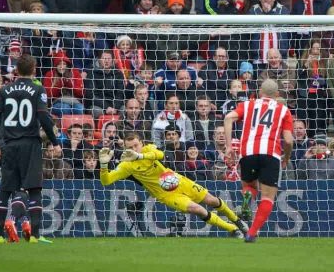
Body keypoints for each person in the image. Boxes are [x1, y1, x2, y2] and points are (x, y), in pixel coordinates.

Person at [99, 132, 248, 238]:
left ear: (141, 144)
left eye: (135, 145)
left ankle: (237, 220)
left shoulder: (148, 149)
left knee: (212, 200)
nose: (133, 149)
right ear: (125, 148)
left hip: (179, 181)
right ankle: (233, 229)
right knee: (198, 209)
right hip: (166, 194)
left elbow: (160, 155)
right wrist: (104, 165)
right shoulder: (126, 166)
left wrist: (140, 156)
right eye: (129, 147)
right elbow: (106, 181)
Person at [0, 55, 61, 244]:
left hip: (9, 144)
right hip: (30, 144)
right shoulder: (38, 89)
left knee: (5, 189)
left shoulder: (5, 90)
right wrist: (55, 141)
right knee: (34, 189)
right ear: (34, 69)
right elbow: (44, 117)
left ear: (16, 70)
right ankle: (35, 236)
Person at [224, 79, 294, 242]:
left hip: (247, 153)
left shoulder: (248, 104)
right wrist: (287, 157)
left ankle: (247, 197)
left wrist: (228, 146)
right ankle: (252, 233)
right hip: (271, 154)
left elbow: (228, 118)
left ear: (260, 93)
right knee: (268, 197)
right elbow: (289, 140)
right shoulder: (283, 110)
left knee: (249, 185)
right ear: (277, 95)